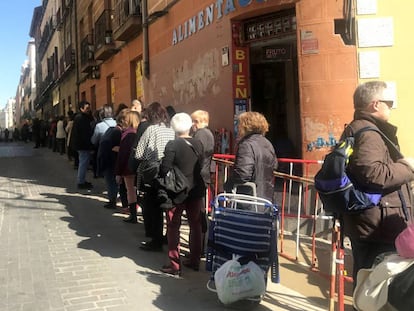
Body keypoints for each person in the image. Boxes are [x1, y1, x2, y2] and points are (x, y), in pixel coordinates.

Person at [341, 81, 414, 287]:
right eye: (388, 102)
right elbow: (373, 173)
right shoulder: (370, 133)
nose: (390, 107)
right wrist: (407, 167)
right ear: (375, 104)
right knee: (376, 288)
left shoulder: (358, 129)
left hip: (370, 219)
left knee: (368, 284)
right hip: (378, 225)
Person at [159, 112, 205, 276]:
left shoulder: (172, 145)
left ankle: (175, 265)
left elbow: (164, 169)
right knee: (195, 225)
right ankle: (194, 260)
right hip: (195, 190)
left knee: (173, 226)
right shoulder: (198, 144)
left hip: (176, 191)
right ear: (189, 126)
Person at [133, 102, 175, 251]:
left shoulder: (151, 129)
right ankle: (166, 237)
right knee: (166, 205)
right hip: (169, 172)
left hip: (152, 173)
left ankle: (155, 240)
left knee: (152, 207)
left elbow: (139, 154)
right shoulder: (171, 129)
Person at [224, 111, 278, 203]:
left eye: (239, 124)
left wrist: (228, 183)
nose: (238, 127)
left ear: (245, 126)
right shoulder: (267, 143)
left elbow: (243, 174)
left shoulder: (246, 145)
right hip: (266, 197)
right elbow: (274, 166)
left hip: (249, 199)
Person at [190, 110, 215, 254]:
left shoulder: (201, 134)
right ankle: (200, 247)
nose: (193, 124)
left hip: (199, 177)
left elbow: (198, 155)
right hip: (202, 175)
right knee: (200, 212)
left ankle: (200, 247)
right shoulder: (207, 133)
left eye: (196, 121)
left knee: (199, 213)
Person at [114, 109, 140, 222]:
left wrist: (118, 172)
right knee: (136, 190)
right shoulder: (139, 132)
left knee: (130, 191)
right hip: (138, 167)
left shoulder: (128, 135)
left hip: (128, 168)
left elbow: (123, 155)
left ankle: (133, 215)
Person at [71, 101, 94, 190]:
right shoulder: (81, 118)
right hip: (82, 145)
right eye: (87, 108)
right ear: (81, 109)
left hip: (81, 144)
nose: (89, 110)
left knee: (83, 163)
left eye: (89, 108)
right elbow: (84, 134)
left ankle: (82, 180)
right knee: (83, 163)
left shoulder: (81, 117)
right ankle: (81, 182)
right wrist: (89, 145)